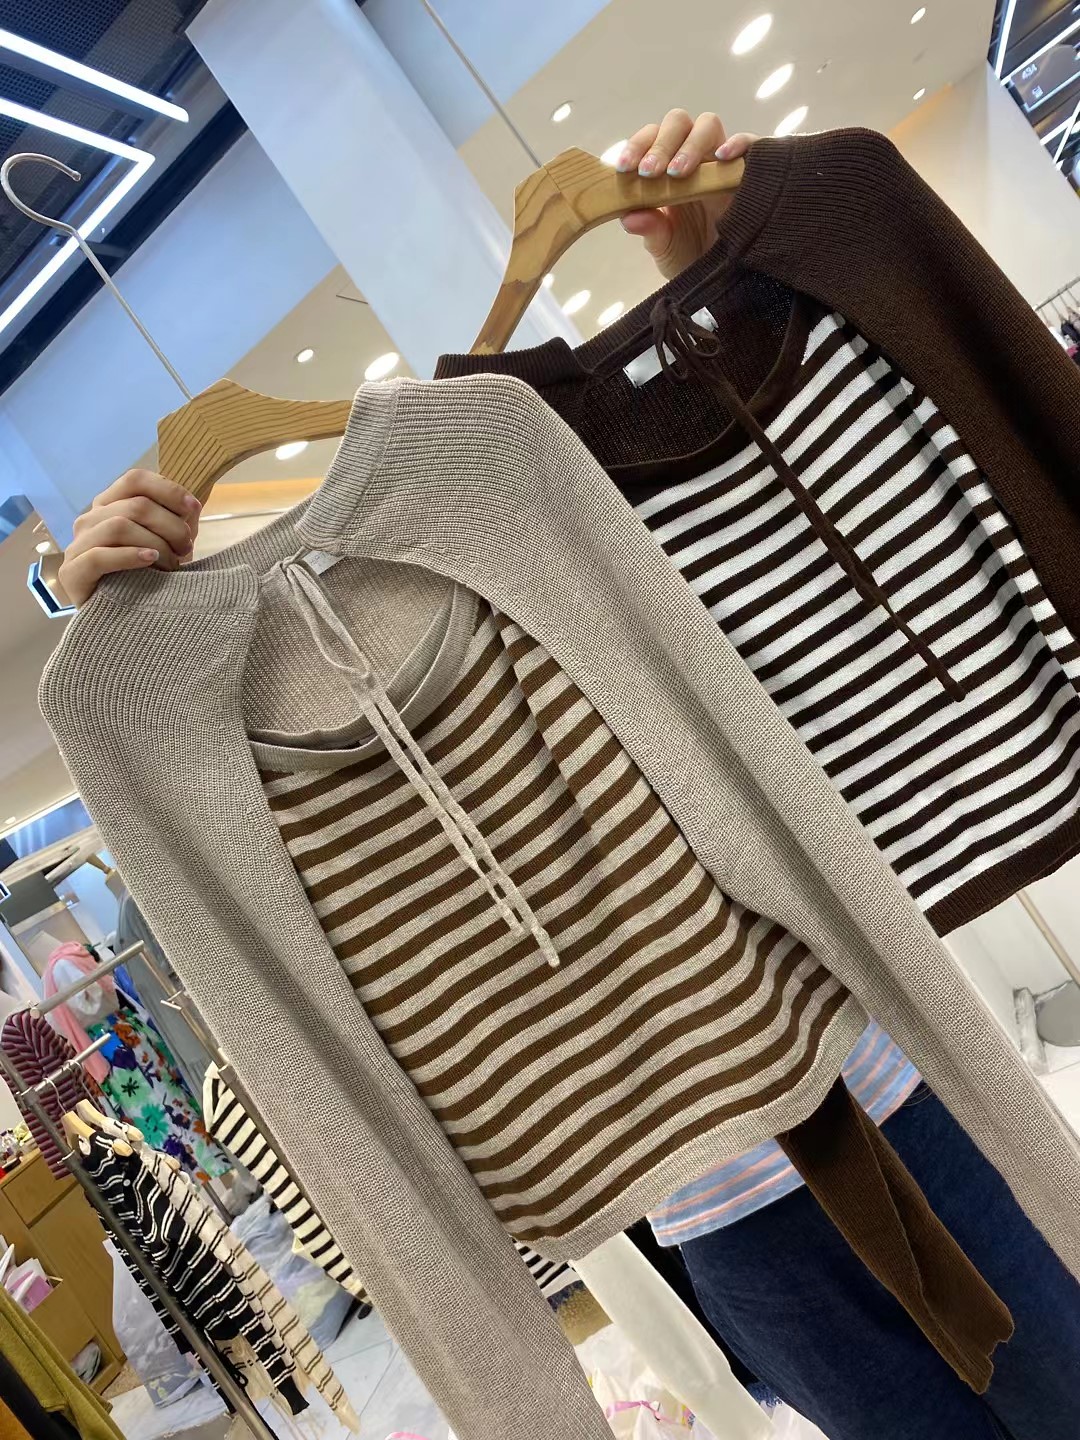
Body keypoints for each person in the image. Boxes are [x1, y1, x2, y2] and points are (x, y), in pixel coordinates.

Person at [58, 110, 1080, 1440]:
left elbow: (727, 710)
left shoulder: (484, 466)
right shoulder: (128, 702)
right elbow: (335, 1115)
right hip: (710, 1222)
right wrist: (106, 626)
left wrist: (710, 270)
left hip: (885, 1080)